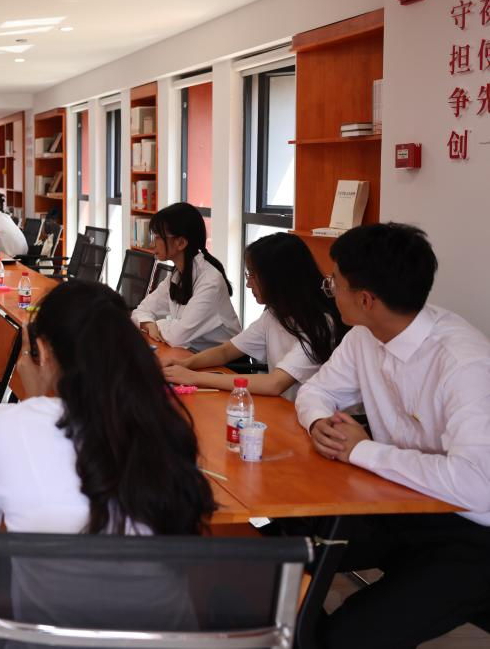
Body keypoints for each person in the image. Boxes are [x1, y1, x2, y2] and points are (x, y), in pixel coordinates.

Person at [0, 280, 216, 629]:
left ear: (42, 350)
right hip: (164, 638)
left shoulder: (1, 425)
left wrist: (34, 396)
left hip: (46, 639)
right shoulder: (163, 427)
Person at [292, 223, 490, 649]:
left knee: (346, 638)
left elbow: (477, 485)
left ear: (365, 299)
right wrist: (319, 423)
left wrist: (363, 450)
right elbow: (316, 391)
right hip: (401, 506)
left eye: (334, 282)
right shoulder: (365, 336)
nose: (329, 290)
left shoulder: (464, 363)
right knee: (280, 553)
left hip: (472, 535)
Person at [162, 232, 345, 398]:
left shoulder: (321, 324)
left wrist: (194, 377)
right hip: (283, 409)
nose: (248, 284)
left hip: (306, 416)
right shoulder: (274, 314)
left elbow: (275, 383)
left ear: (278, 278)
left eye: (253, 275)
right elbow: (227, 351)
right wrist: (186, 364)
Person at [132, 202, 240, 351]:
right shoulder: (177, 274)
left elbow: (177, 337)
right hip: (192, 354)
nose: (152, 244)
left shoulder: (210, 282)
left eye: (157, 237)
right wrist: (150, 324)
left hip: (226, 362)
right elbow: (140, 311)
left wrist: (157, 324)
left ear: (181, 243)